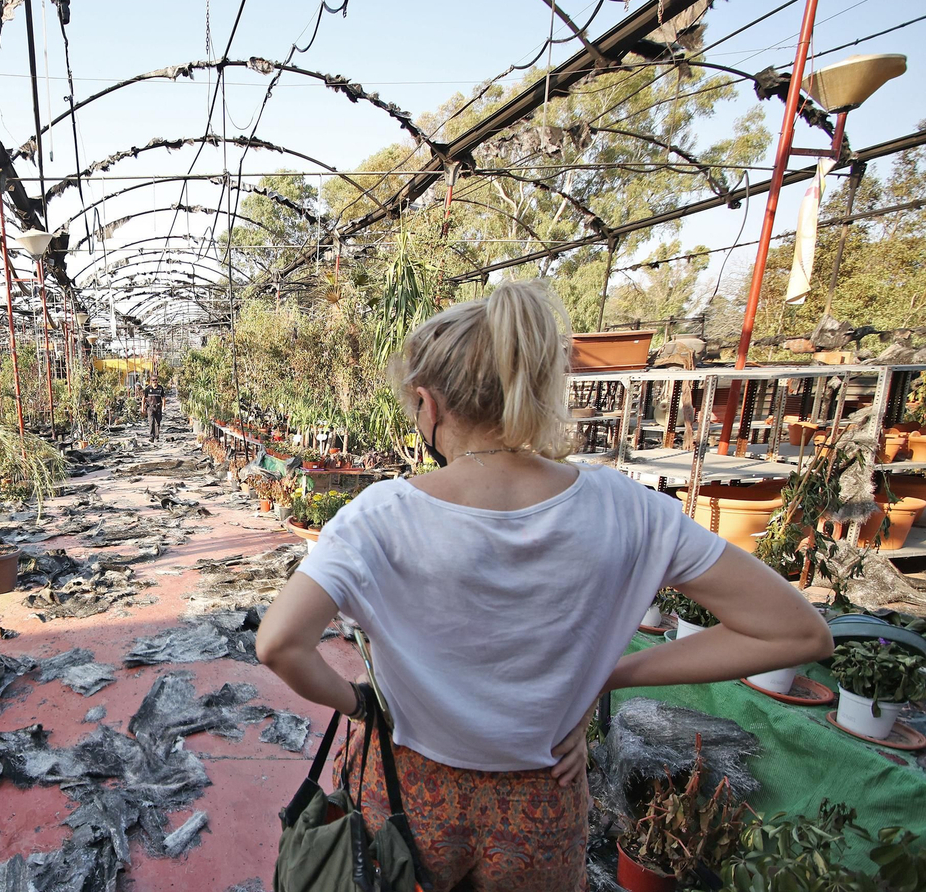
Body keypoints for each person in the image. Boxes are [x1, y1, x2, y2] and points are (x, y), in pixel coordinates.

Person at [255, 280, 832, 892]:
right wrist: (606, 674)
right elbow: (796, 631)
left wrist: (357, 704)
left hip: (406, 792)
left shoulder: (381, 515)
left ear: (428, 404)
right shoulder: (626, 508)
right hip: (544, 798)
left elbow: (279, 644)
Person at [141, 374, 167, 441]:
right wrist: (142, 408)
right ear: (151, 381)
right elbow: (144, 398)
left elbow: (163, 398)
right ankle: (151, 436)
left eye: (156, 380)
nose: (155, 381)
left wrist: (164, 406)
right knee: (151, 421)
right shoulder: (148, 389)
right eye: (153, 380)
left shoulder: (160, 388)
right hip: (150, 407)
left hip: (158, 407)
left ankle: (157, 436)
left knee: (157, 422)